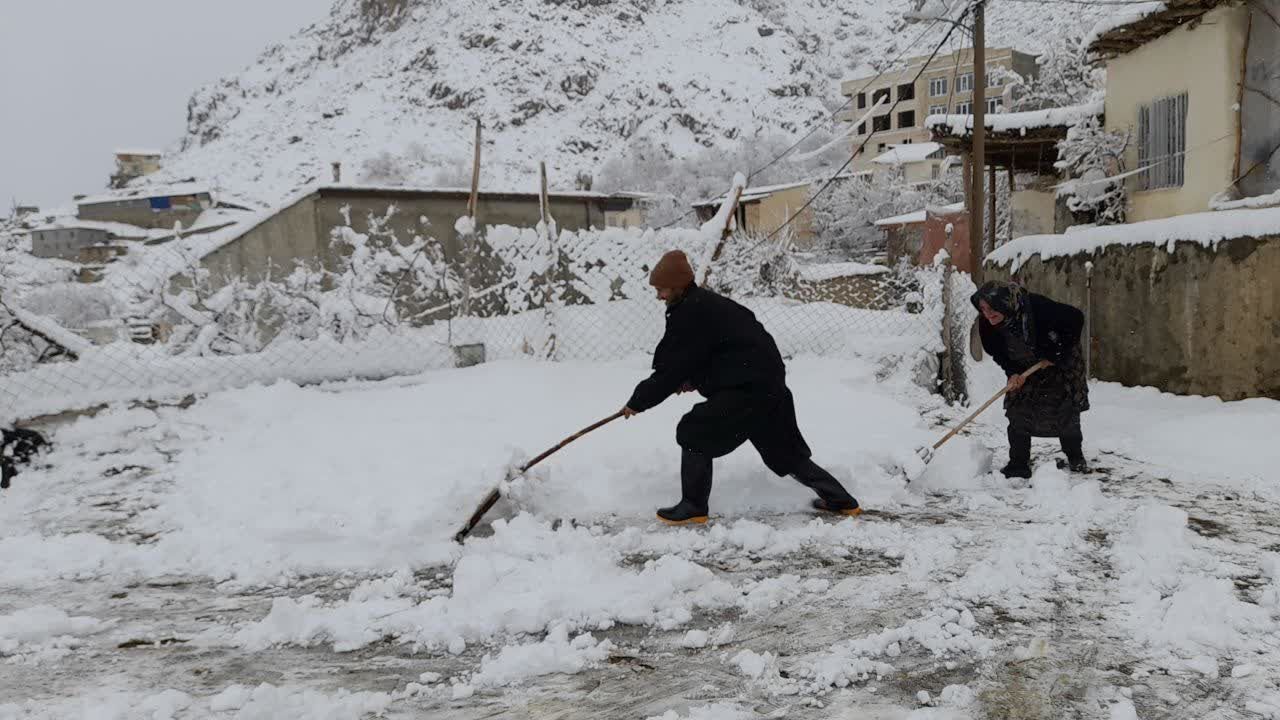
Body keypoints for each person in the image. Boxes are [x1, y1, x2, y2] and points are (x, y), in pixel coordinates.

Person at [622, 250, 860, 525]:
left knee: (694, 430)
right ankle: (842, 500)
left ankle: (693, 506)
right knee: (784, 452)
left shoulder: (690, 312)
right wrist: (692, 380)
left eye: (661, 289)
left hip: (747, 389)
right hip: (768, 385)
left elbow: (672, 368)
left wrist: (638, 402)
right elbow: (719, 353)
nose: (659, 296)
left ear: (677, 285)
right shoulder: (707, 305)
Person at [971, 280, 1090, 479]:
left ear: (1005, 303)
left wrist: (1055, 353)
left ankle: (1075, 456)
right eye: (982, 309)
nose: (987, 314)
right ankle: (1018, 464)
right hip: (1024, 365)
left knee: (1065, 410)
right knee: (1017, 408)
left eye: (992, 308)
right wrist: (1013, 373)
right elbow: (998, 353)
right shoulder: (986, 325)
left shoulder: (1038, 307)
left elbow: (1076, 318)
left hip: (1060, 359)